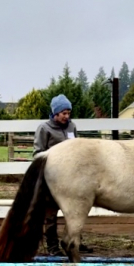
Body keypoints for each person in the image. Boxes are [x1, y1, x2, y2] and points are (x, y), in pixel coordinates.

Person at [33, 94, 93, 255]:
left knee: (74, 212)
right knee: (51, 214)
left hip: (72, 180)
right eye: (64, 113)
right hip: (53, 179)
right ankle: (52, 246)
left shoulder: (71, 127)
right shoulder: (44, 129)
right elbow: (38, 153)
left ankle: (75, 241)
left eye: (68, 113)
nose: (67, 116)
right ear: (55, 113)